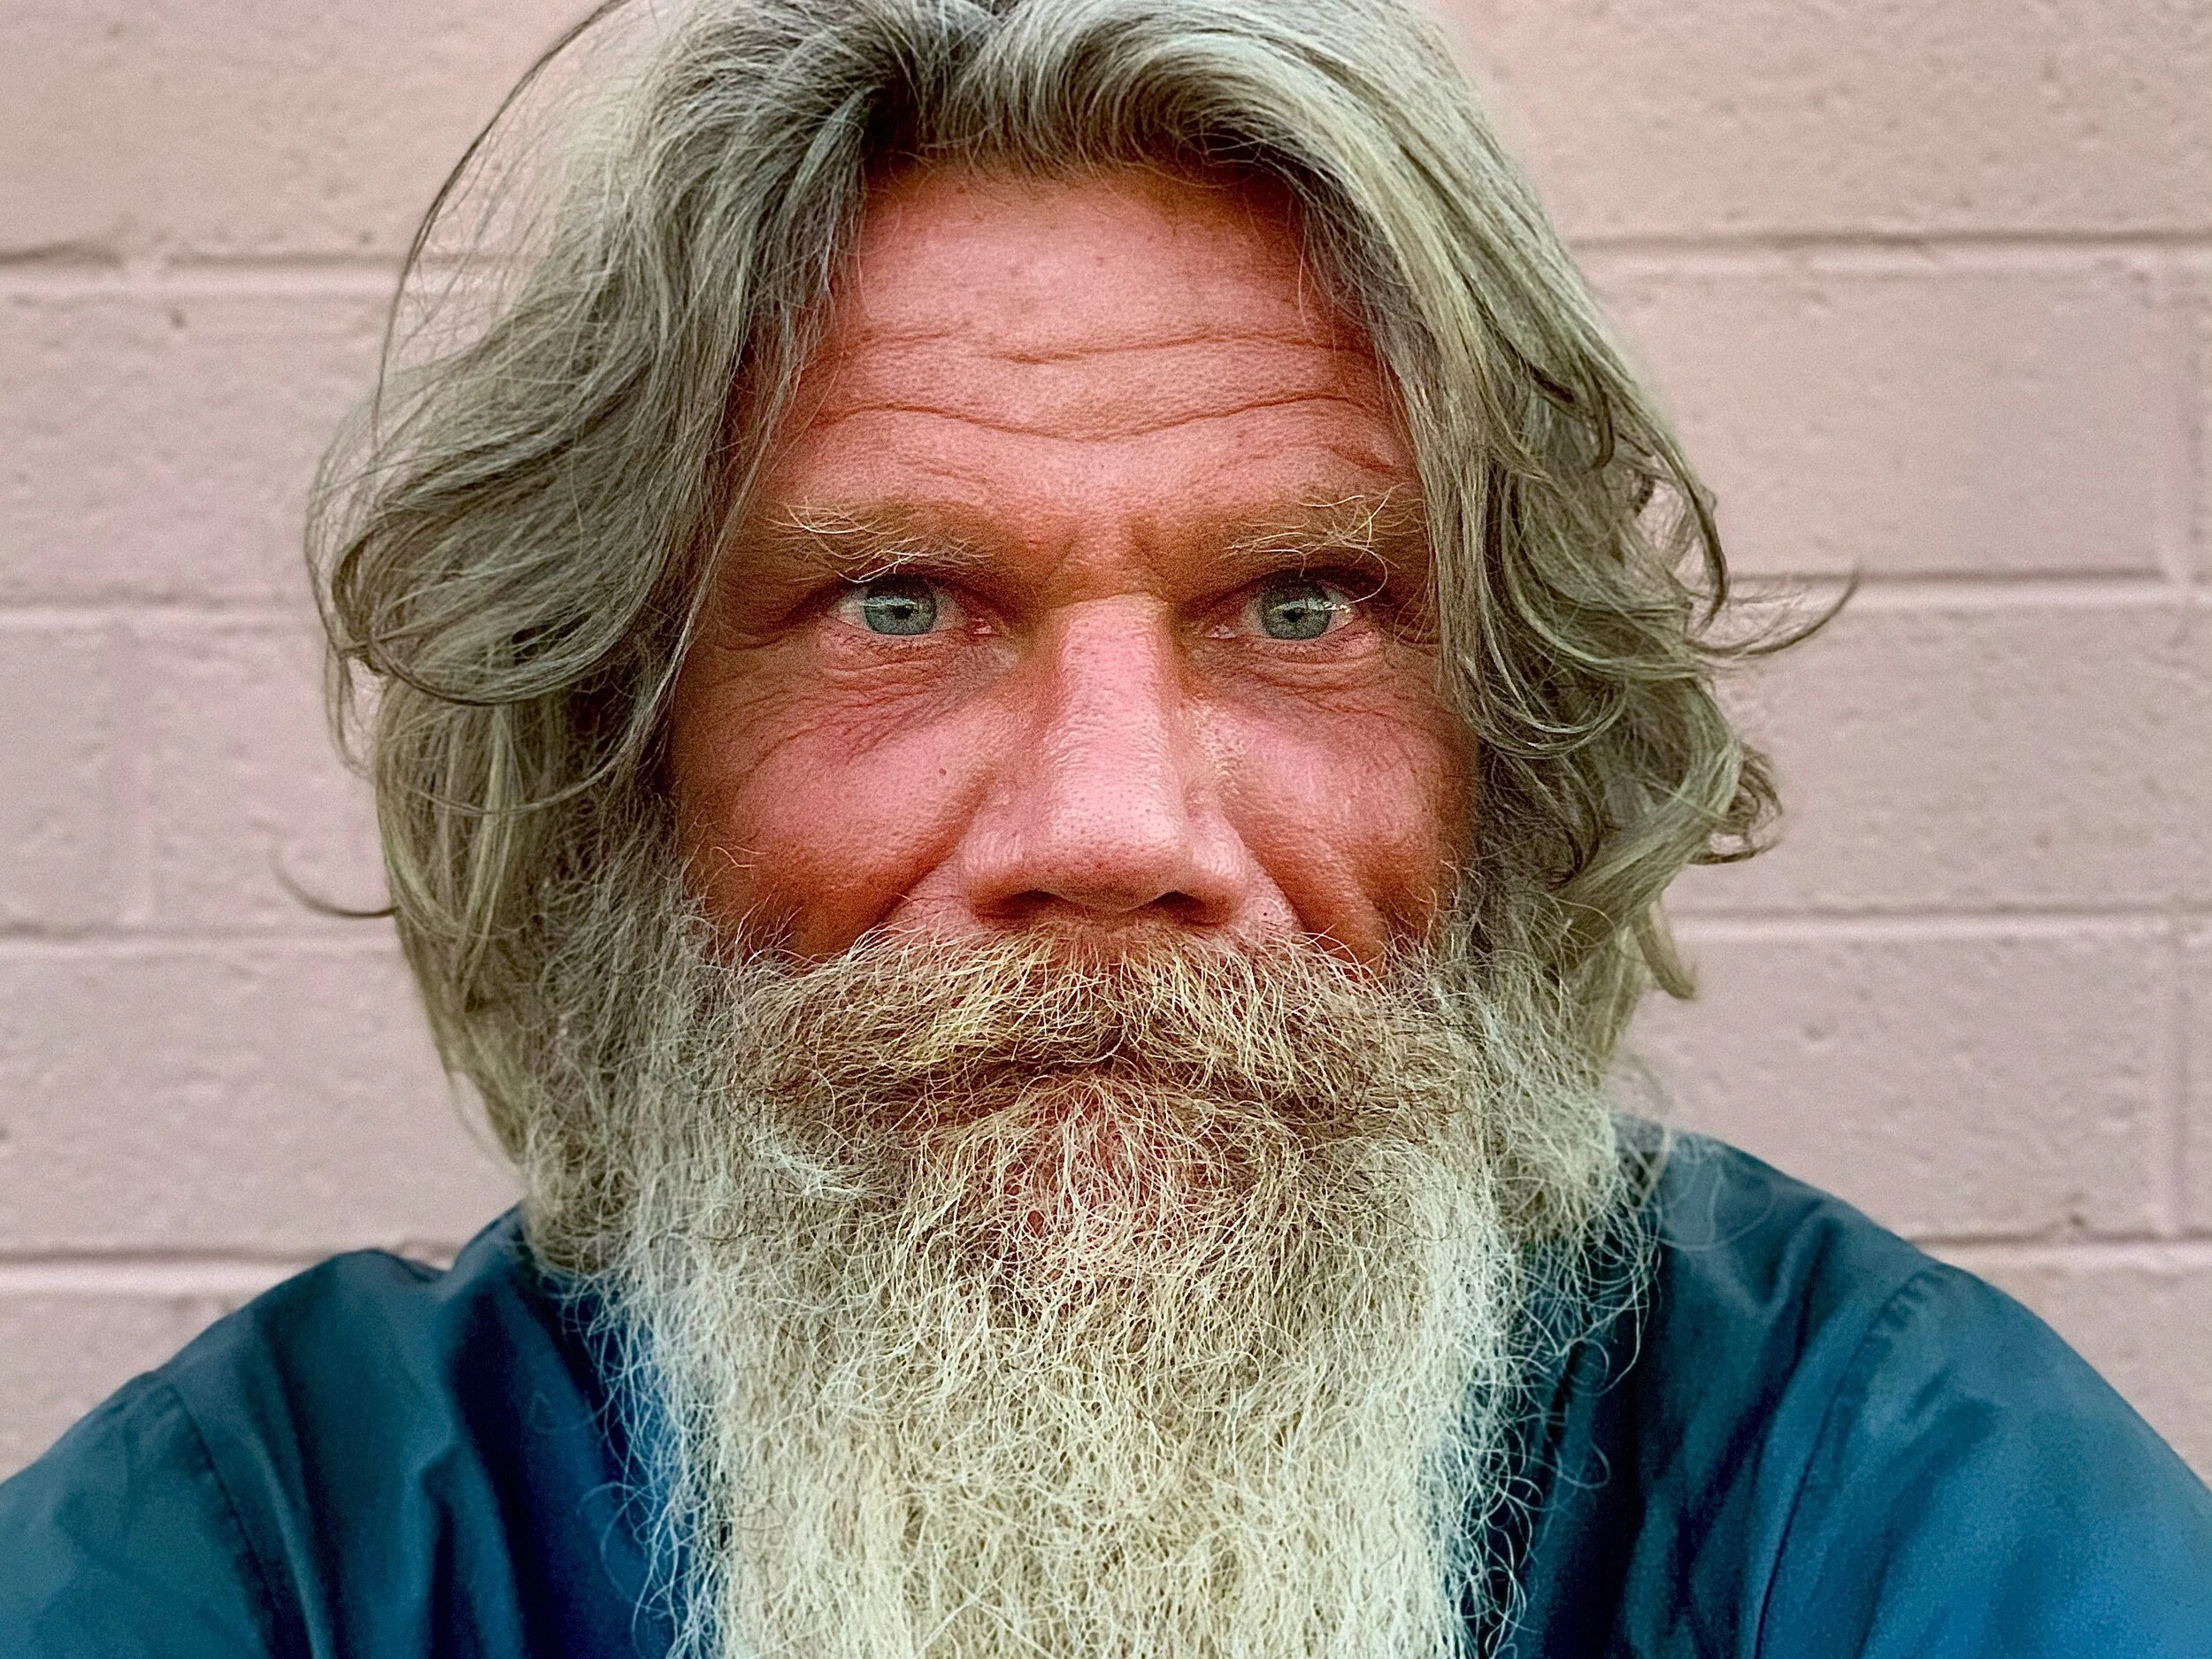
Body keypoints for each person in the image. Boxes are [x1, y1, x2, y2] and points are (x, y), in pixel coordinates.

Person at [4, 0, 2208, 1653]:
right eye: (895, 602)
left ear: (1504, 748)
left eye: (1301, 603)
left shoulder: (1875, 1496)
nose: (1112, 823)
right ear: (626, 754)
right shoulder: (278, 1545)